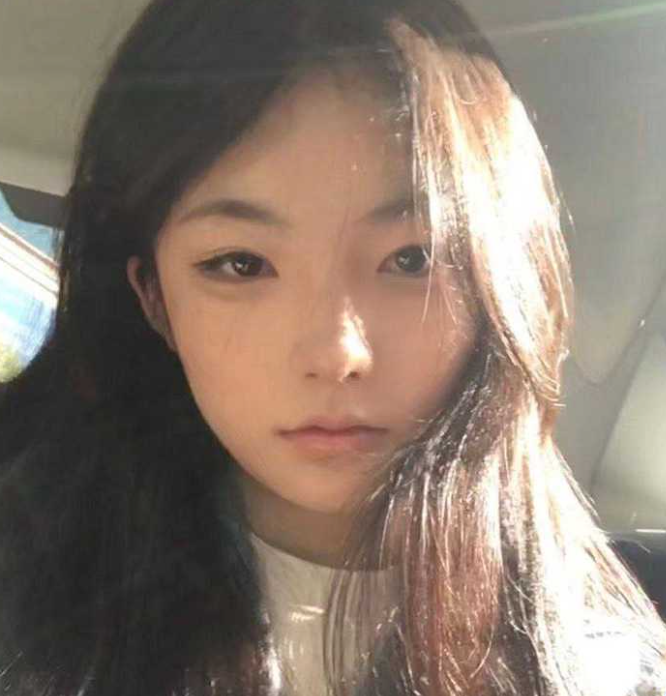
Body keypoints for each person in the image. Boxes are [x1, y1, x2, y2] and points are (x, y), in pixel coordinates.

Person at [0, 0, 664, 694]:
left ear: (493, 284)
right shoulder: (26, 601)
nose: (338, 354)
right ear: (155, 300)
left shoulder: (605, 664)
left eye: (412, 259)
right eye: (241, 264)